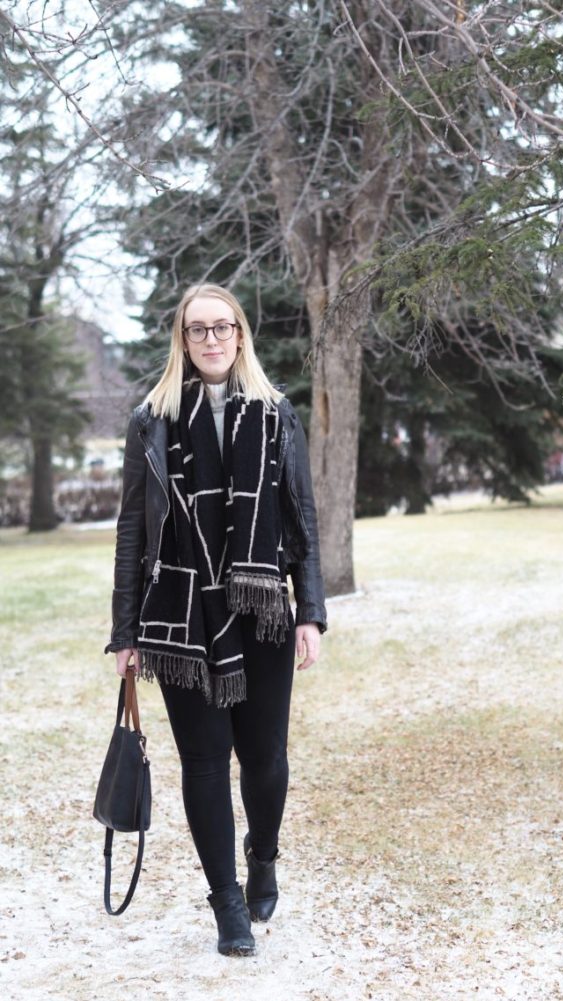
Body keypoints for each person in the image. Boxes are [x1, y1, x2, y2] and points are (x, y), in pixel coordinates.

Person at [104, 283, 327, 956]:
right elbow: (131, 531)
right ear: (183, 338)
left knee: (264, 761)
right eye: (198, 329)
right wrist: (125, 630)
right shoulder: (152, 419)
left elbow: (300, 517)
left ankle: (264, 854)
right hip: (178, 616)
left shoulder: (275, 411)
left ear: (239, 334)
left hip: (260, 611)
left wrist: (309, 611)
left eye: (222, 327)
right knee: (204, 762)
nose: (210, 339)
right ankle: (227, 903)